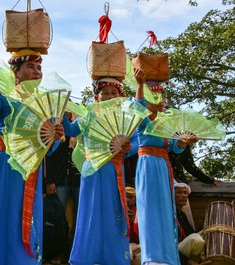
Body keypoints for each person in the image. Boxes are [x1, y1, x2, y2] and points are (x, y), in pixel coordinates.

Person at [0, 50, 64, 265]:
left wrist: (55, 137)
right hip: (6, 166)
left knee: (26, 217)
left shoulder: (43, 105)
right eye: (30, 67)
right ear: (15, 72)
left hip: (31, 168)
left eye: (39, 68)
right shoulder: (3, 95)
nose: (37, 72)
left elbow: (50, 148)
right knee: (3, 215)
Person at [63, 77, 136, 265]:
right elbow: (71, 130)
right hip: (93, 169)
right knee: (91, 210)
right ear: (97, 97)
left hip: (114, 169)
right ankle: (86, 257)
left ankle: (114, 257)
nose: (110, 96)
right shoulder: (89, 115)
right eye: (105, 93)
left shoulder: (125, 118)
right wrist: (61, 111)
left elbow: (136, 141)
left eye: (114, 93)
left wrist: (129, 148)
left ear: (120, 96)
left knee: (113, 210)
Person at [134, 70, 195, 265]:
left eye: (161, 96)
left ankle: (167, 256)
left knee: (165, 210)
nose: (161, 100)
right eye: (155, 96)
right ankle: (152, 257)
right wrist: (139, 86)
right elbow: (137, 109)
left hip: (163, 166)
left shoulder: (165, 123)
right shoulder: (143, 121)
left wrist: (184, 142)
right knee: (150, 208)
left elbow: (174, 148)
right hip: (148, 166)